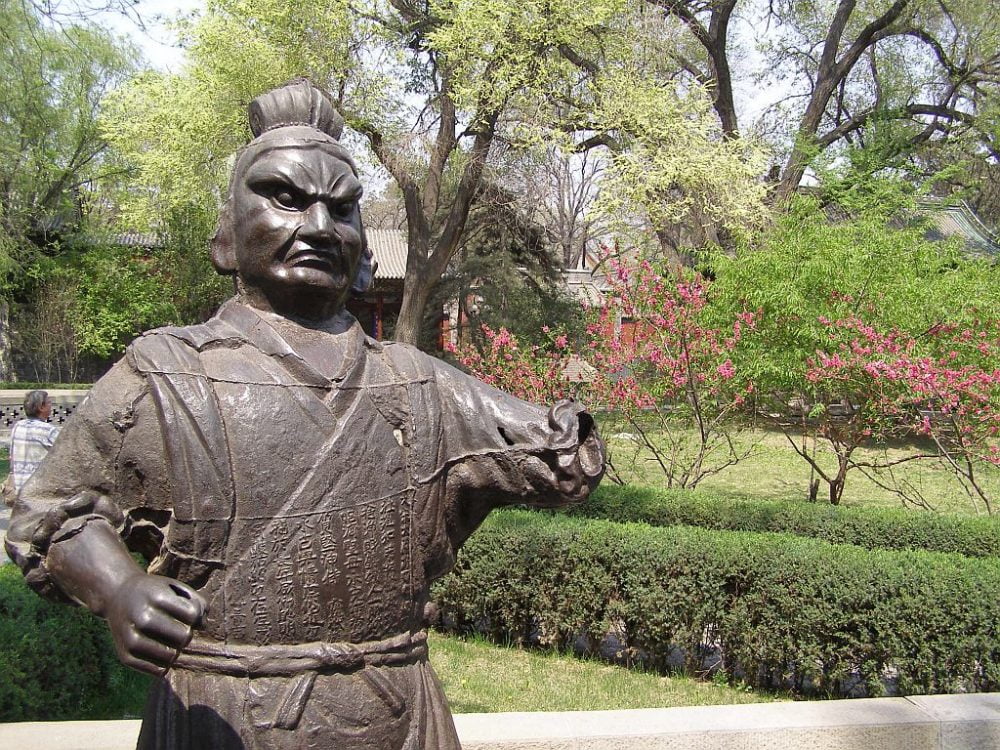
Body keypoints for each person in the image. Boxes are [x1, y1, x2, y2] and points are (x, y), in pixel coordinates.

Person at [5, 79, 605, 750]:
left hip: (399, 714)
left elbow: (561, 457)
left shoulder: (415, 381)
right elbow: (49, 518)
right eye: (285, 198)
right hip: (223, 712)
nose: (319, 227)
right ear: (227, 237)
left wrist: (568, 438)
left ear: (363, 249)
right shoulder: (165, 375)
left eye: (342, 208)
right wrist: (117, 588)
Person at [8, 390, 61, 495]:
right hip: (38, 490)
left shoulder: (17, 426)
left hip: (19, 488)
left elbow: (11, 457)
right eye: (49, 402)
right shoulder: (49, 430)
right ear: (41, 407)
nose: (51, 405)